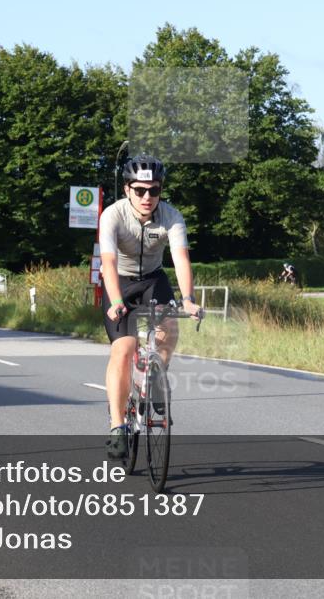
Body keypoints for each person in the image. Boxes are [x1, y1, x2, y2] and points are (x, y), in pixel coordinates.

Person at [99, 154, 202, 459]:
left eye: (154, 190)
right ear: (127, 188)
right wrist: (116, 301)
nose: (147, 197)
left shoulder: (171, 216)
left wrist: (189, 300)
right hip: (120, 281)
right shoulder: (112, 215)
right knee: (124, 347)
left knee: (169, 327)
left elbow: (181, 259)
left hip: (154, 279)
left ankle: (156, 378)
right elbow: (109, 261)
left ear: (160, 190)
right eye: (140, 190)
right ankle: (118, 427)